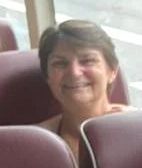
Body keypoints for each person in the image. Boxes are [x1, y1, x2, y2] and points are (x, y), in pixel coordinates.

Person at [35, 19, 130, 158]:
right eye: (60, 63)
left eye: (88, 61)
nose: (74, 72)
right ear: (47, 76)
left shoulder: (141, 132)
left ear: (112, 71)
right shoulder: (34, 143)